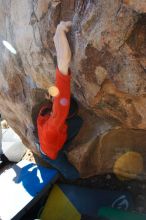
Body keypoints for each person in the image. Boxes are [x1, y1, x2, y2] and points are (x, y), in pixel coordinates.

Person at [37, 21, 83, 180]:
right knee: (68, 169)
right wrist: (59, 33)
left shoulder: (46, 111)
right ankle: (74, 180)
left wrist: (50, 100)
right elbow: (63, 71)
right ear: (63, 115)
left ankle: (62, 144)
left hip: (47, 139)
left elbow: (55, 106)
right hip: (51, 153)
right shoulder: (56, 121)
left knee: (78, 122)